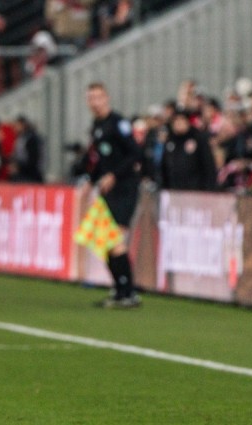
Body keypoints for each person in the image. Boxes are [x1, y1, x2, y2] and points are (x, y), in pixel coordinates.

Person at [84, 81, 142, 308]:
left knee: (115, 240)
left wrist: (114, 176)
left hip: (125, 187)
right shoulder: (97, 125)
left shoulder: (118, 123)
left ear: (106, 98)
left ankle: (129, 292)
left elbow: (135, 153)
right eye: (91, 98)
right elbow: (101, 161)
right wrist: (90, 180)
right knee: (106, 242)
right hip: (109, 189)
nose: (94, 102)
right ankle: (119, 291)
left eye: (98, 97)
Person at [160, 108, 217, 191]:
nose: (178, 123)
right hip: (173, 190)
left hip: (195, 190)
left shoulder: (198, 139)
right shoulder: (170, 142)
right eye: (176, 120)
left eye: (182, 119)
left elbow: (209, 166)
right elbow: (164, 167)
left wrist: (208, 188)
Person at [10, 115, 44, 183]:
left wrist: (18, 167)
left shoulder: (31, 139)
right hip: (22, 174)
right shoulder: (20, 138)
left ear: (23, 125)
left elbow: (33, 160)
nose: (15, 128)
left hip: (30, 177)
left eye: (17, 125)